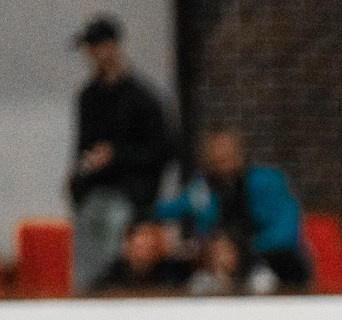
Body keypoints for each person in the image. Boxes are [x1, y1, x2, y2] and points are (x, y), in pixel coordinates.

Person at [68, 14, 178, 292]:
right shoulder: (88, 97)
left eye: (98, 45)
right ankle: (88, 301)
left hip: (131, 195)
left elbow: (163, 150)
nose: (93, 54)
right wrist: (78, 183)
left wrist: (117, 155)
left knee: (115, 227)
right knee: (87, 229)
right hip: (95, 192)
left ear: (112, 46)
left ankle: (111, 296)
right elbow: (82, 148)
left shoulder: (143, 98)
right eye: (90, 48)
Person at [155, 130, 311, 293]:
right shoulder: (203, 190)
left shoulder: (268, 182)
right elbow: (171, 209)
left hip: (275, 260)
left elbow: (286, 231)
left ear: (239, 152)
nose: (222, 160)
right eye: (216, 156)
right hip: (220, 262)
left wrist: (243, 249)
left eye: (227, 153)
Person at [93, 219, 192, 292]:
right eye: (143, 236)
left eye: (152, 235)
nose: (149, 242)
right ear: (128, 244)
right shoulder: (112, 278)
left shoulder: (172, 274)